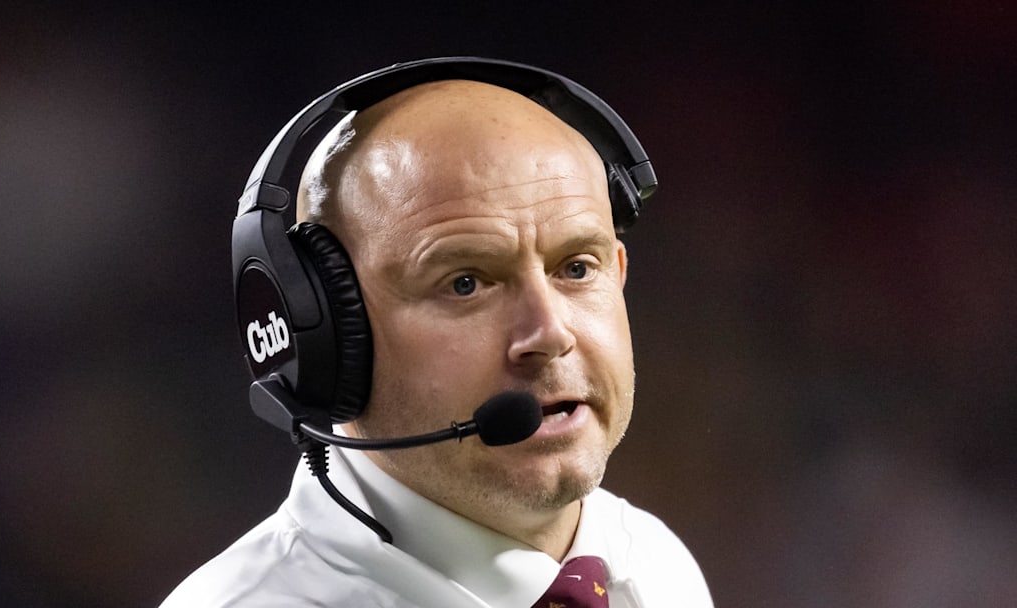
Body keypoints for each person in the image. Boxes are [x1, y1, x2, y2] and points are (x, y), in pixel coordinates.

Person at [161, 63, 712, 607]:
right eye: (466, 283)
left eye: (575, 268)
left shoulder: (657, 564)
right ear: (326, 333)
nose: (547, 333)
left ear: (618, 273)